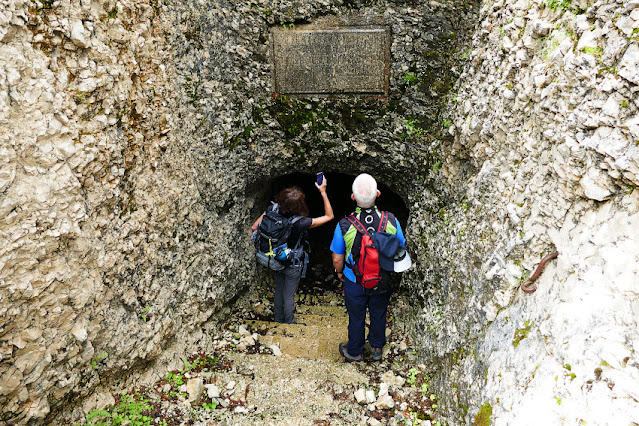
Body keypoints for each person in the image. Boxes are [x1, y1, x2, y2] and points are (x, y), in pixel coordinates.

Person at [330, 173, 407, 362]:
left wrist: (340, 272)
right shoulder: (392, 221)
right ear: (378, 194)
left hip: (354, 279)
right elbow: (401, 249)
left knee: (356, 316)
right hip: (381, 279)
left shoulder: (344, 225)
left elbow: (337, 258)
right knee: (379, 313)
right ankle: (376, 349)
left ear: (353, 197)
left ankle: (355, 351)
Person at [252, 178, 334, 324]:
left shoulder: (271, 210)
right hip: (292, 262)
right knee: (288, 294)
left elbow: (254, 227)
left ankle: (278, 319)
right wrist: (323, 192)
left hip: (273, 258)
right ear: (300, 206)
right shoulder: (301, 222)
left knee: (279, 290)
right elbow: (329, 216)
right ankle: (290, 323)